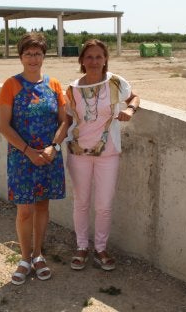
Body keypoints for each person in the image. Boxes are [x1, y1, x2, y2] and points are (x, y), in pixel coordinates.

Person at [0, 33, 68, 285]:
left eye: (37, 53)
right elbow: (4, 127)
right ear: (21, 57)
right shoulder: (11, 85)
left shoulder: (55, 85)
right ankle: (24, 258)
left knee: (42, 207)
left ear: (43, 56)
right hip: (22, 158)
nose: (33, 58)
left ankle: (38, 255)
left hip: (49, 157)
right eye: (28, 53)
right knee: (25, 211)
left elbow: (64, 122)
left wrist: (53, 147)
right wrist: (28, 151)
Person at [64, 39, 140, 271]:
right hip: (78, 152)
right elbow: (67, 118)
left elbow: (134, 97)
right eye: (89, 57)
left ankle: (100, 248)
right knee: (81, 202)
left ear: (105, 59)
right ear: (82, 60)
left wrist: (129, 110)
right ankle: (81, 248)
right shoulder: (72, 89)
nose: (94, 61)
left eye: (98, 57)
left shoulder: (116, 82)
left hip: (108, 153)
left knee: (104, 204)